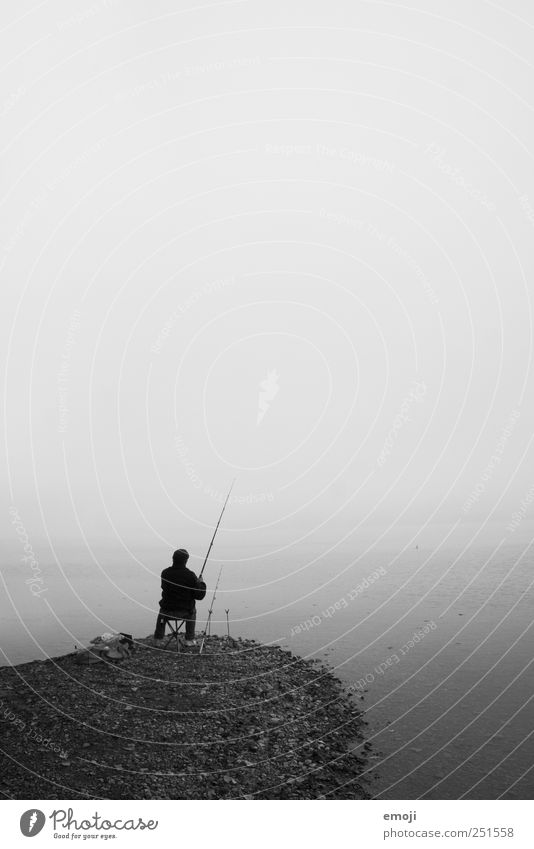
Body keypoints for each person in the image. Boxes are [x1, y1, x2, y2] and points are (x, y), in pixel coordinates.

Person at [154, 549, 206, 646]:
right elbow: (199, 596)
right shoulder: (190, 576)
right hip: (185, 613)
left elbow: (164, 587)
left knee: (162, 612)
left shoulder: (165, 573)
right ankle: (189, 639)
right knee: (192, 611)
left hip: (166, 612)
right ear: (186, 561)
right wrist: (201, 583)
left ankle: (158, 639)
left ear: (173, 559)